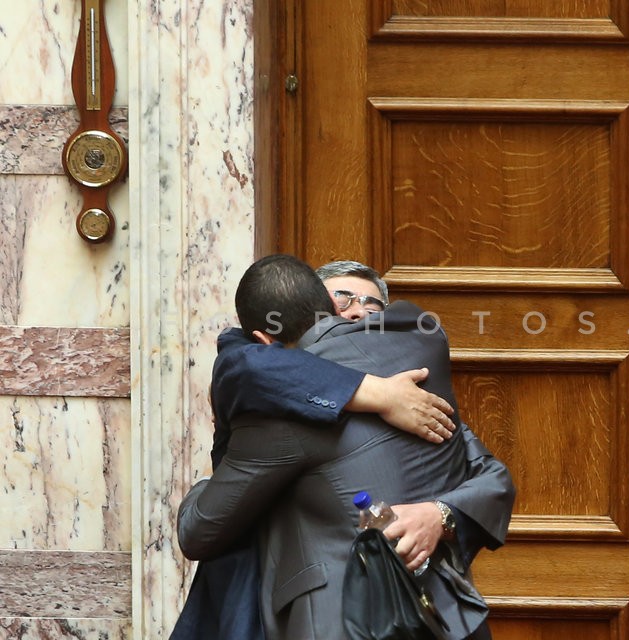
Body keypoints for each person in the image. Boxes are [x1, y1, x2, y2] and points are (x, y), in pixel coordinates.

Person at [177, 255, 512, 639]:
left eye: (373, 306)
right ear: (322, 307)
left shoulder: (419, 397)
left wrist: (439, 515)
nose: (359, 313)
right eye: (345, 299)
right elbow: (245, 365)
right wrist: (375, 393)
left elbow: (494, 477)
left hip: (421, 617)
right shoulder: (280, 392)